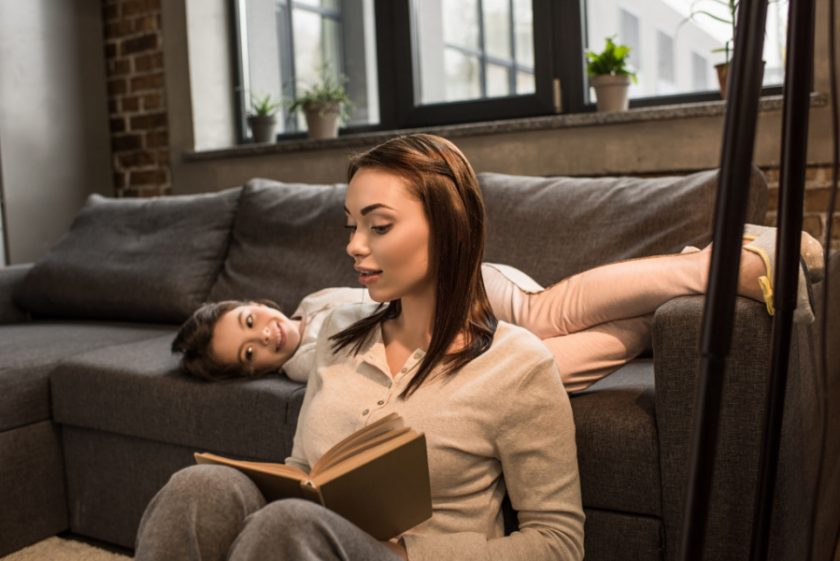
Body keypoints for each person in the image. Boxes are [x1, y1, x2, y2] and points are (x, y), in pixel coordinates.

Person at [135, 133, 587, 561]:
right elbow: (303, 469)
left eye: (379, 225)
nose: (353, 245)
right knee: (200, 487)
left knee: (290, 524)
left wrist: (402, 554)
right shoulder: (338, 329)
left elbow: (559, 543)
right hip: (310, 543)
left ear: (448, 226)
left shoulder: (518, 365)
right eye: (352, 225)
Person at [172, 233, 823, 393]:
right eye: (249, 352)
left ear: (257, 303)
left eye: (251, 320)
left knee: (544, 318)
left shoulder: (314, 302)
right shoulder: (305, 367)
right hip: (476, 350)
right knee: (539, 368)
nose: (266, 335)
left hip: (474, 297)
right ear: (251, 372)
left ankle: (743, 263)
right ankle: (692, 283)